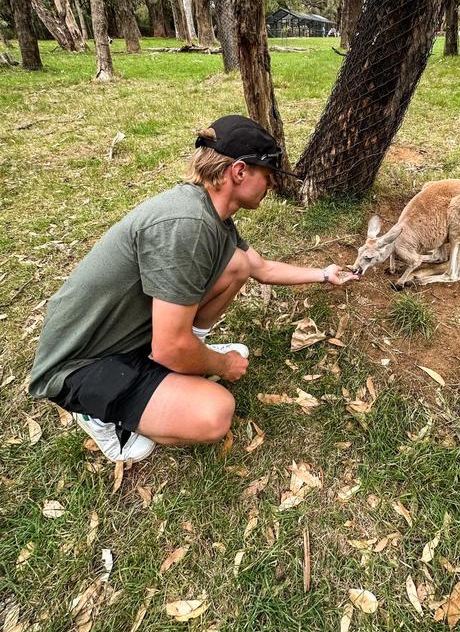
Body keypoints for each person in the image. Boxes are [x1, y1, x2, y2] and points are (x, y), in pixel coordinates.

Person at [29, 115, 357, 463]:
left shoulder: (207, 211)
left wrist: (324, 273)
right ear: (240, 171)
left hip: (127, 336)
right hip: (81, 363)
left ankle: (184, 356)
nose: (272, 185)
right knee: (215, 412)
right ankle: (97, 412)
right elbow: (170, 348)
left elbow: (258, 268)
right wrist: (222, 364)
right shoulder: (186, 226)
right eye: (269, 175)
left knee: (237, 265)